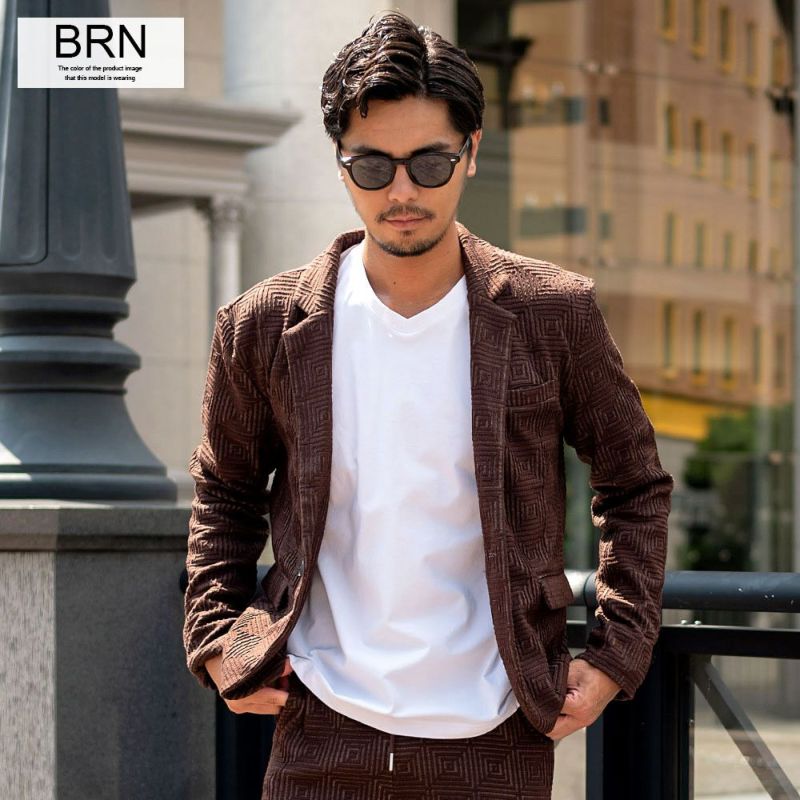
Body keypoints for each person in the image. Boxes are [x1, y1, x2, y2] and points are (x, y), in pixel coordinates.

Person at [183, 11, 673, 799]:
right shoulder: (264, 325)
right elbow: (225, 489)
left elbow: (634, 484)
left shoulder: (553, 312)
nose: (402, 191)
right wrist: (216, 640)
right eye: (373, 165)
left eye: (430, 162)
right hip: (318, 724)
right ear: (341, 164)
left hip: (498, 729)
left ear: (471, 152)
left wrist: (616, 655)